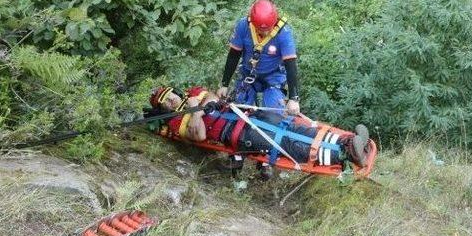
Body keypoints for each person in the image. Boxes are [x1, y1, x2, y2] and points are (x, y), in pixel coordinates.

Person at [148, 86, 369, 171]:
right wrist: (197, 109)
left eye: (171, 95)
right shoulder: (177, 123)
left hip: (248, 115)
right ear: (164, 109)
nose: (171, 100)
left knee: (293, 127)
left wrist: (199, 105)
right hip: (239, 135)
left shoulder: (193, 93)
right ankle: (344, 156)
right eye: (166, 102)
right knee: (287, 144)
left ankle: (346, 142)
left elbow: (214, 97)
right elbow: (201, 135)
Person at [217, 0, 300, 115]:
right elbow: (233, 56)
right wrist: (224, 84)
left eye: (268, 29)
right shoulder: (244, 26)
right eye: (261, 30)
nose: (265, 33)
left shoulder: (283, 33)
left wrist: (293, 98)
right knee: (236, 111)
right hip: (248, 75)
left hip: (273, 76)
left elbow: (291, 66)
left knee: (274, 116)